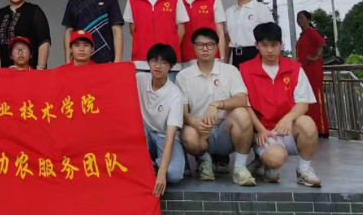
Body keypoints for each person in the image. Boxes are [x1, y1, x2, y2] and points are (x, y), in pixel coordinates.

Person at [241, 22, 322, 187]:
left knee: (307, 122)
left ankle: (304, 169)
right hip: (264, 131)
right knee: (274, 159)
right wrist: (260, 129)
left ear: (281, 45)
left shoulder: (295, 68)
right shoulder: (245, 70)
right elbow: (245, 105)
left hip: (288, 128)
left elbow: (303, 103)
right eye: (264, 45)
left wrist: (288, 119)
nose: (270, 50)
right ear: (256, 45)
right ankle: (265, 161)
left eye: (274, 45)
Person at [177, 28, 256, 186]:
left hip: (225, 129)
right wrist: (194, 122)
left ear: (216, 47)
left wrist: (217, 105)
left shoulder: (230, 71)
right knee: (187, 134)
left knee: (242, 113)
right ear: (193, 47)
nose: (205, 49)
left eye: (210, 45)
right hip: (200, 129)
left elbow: (242, 99)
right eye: (200, 45)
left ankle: (240, 167)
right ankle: (204, 161)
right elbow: (183, 111)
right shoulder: (183, 76)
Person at [124, 0, 189, 78]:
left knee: (170, 91)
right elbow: (133, 29)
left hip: (169, 61)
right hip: (142, 61)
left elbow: (181, 29)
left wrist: (171, 48)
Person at [135, 43, 185, 196]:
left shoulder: (175, 94)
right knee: (135, 127)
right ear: (148, 63)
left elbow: (170, 136)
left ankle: (154, 167)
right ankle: (150, 165)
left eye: (164, 62)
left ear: (171, 67)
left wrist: (162, 174)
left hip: (164, 137)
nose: (158, 66)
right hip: (144, 134)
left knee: (174, 174)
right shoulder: (139, 79)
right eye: (154, 61)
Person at [62, 0, 124, 64]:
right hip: (80, 62)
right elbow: (69, 32)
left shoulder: (110, 0)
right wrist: (68, 60)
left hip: (106, 61)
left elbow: (117, 31)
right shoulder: (73, 2)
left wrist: (118, 60)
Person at [0, 0, 50, 69]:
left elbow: (44, 41)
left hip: (30, 69)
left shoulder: (34, 11)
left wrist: (41, 68)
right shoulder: (0, 13)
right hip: (6, 69)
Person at [178, 0, 227, 66]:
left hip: (211, 57)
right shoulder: (178, 1)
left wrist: (222, 58)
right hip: (185, 58)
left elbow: (220, 32)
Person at [224, 0, 274, 67]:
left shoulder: (260, 9)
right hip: (236, 56)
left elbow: (270, 36)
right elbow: (227, 39)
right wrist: (225, 62)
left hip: (256, 54)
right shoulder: (229, 12)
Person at [296, 10, 330, 138]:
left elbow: (321, 43)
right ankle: (313, 127)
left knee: (316, 96)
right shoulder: (303, 35)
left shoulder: (311, 32)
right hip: (304, 70)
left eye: (302, 18)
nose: (299, 20)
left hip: (313, 69)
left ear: (309, 20)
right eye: (298, 18)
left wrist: (315, 57)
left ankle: (322, 129)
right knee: (308, 98)